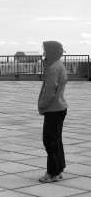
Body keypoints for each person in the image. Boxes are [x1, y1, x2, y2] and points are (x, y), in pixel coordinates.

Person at [38, 41, 68, 183]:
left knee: (50, 141)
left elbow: (49, 91)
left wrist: (41, 105)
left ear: (51, 51)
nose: (43, 52)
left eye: (45, 50)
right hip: (59, 108)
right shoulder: (58, 65)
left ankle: (52, 173)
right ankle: (59, 169)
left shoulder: (53, 69)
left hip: (53, 109)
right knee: (56, 141)